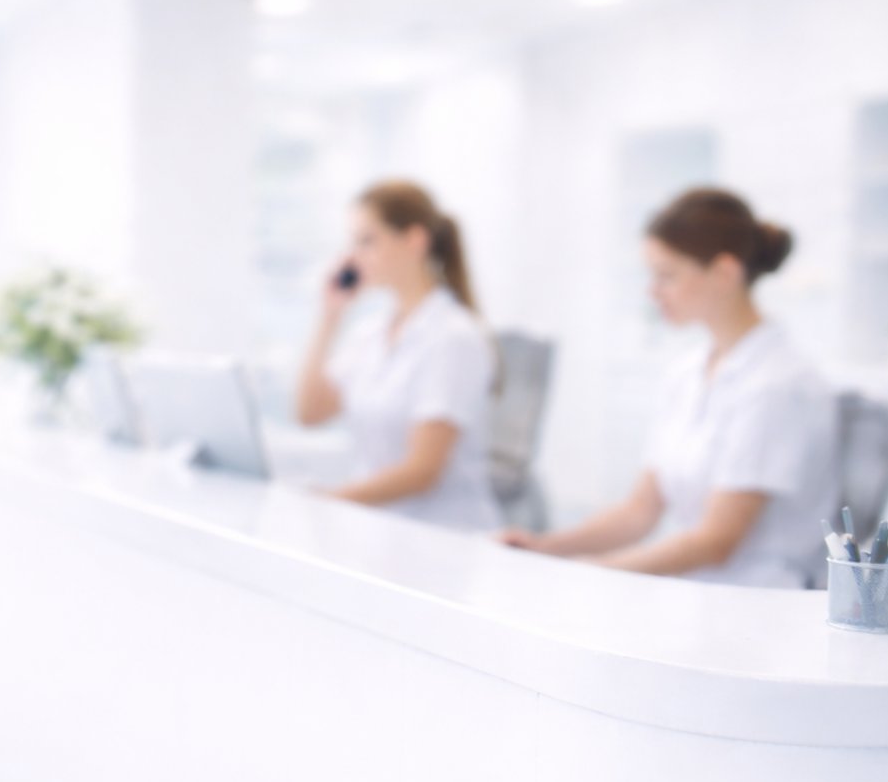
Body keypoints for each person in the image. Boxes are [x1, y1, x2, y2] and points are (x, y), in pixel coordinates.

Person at [500, 187, 834, 587]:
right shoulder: (688, 372)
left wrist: (584, 575)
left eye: (667, 275)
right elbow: (640, 511)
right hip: (698, 591)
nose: (652, 292)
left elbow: (716, 543)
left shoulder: (778, 384)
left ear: (725, 273)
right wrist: (544, 549)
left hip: (758, 602)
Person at [294, 180, 501, 531]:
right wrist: (330, 317)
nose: (353, 256)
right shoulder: (371, 333)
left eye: (367, 241)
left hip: (442, 537)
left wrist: (328, 501)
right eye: (353, 242)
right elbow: (310, 412)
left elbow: (422, 471)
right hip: (378, 529)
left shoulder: (453, 337)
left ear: (414, 241)